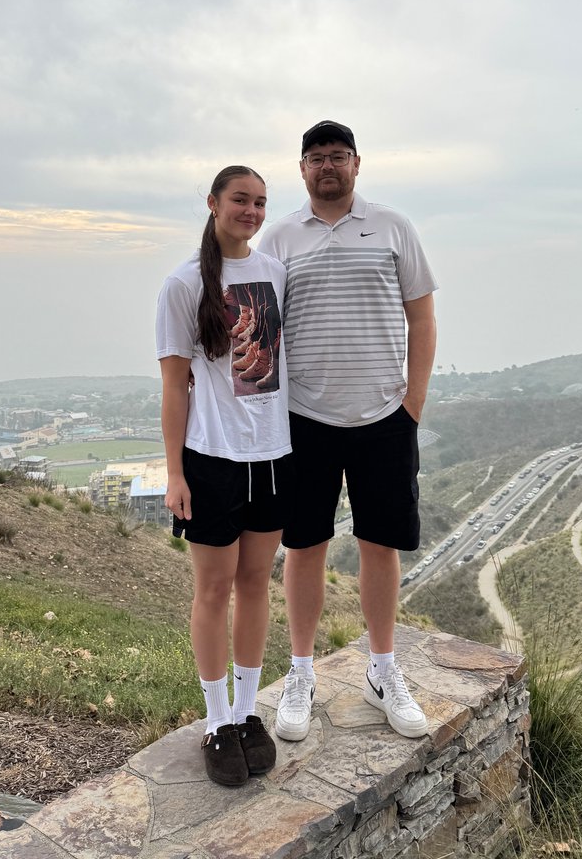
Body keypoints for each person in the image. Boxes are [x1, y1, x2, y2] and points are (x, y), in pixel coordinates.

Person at [259, 121, 437, 740]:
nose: (327, 166)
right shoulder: (280, 238)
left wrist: (413, 404)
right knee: (303, 545)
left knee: (379, 544)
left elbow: (422, 317)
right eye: (316, 158)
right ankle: (301, 672)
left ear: (357, 164)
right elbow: (261, 329)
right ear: (302, 169)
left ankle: (382, 670)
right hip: (303, 419)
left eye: (337, 156)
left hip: (384, 418)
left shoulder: (392, 227)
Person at [156, 166, 291, 786]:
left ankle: (245, 711)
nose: (252, 211)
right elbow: (174, 387)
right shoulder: (184, 284)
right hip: (212, 460)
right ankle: (215, 721)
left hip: (273, 456)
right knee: (213, 591)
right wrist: (175, 472)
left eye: (261, 202)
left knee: (257, 584)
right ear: (213, 203)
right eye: (241, 199)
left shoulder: (274, 273)